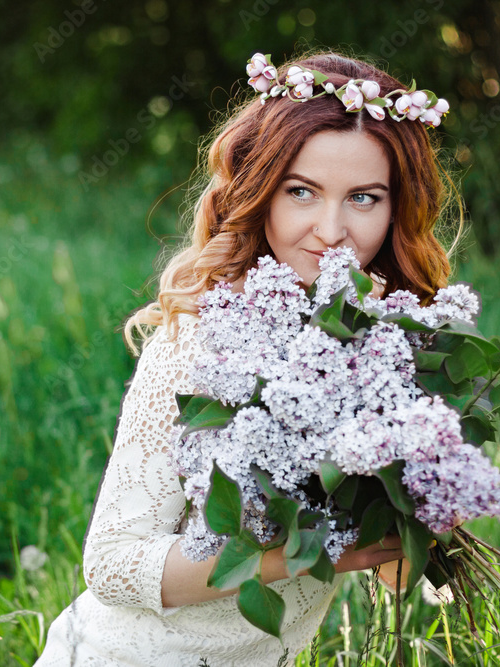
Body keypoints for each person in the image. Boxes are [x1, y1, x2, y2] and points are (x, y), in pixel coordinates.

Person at [35, 49, 460, 666]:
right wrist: (308, 554)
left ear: (398, 207)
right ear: (260, 191)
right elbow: (112, 565)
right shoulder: (200, 342)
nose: (331, 230)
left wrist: (428, 497)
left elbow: (392, 571)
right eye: (301, 192)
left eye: (364, 198)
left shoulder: (383, 348)